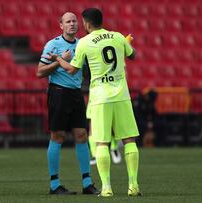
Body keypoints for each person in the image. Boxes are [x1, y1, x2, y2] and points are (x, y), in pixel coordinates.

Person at [46, 8, 141, 197]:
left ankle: (106, 188)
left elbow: (72, 70)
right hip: (122, 95)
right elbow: (133, 56)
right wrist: (124, 44)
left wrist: (57, 58)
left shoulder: (85, 42)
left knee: (101, 143)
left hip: (100, 98)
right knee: (129, 140)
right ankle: (133, 185)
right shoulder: (118, 36)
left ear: (86, 23)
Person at [37, 12, 98, 195]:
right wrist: (58, 61)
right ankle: (54, 185)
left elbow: (85, 70)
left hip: (76, 94)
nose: (72, 24)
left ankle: (87, 183)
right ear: (61, 25)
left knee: (81, 135)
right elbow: (39, 72)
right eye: (68, 22)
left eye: (74, 21)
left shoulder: (82, 44)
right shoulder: (53, 45)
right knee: (58, 137)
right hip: (58, 93)